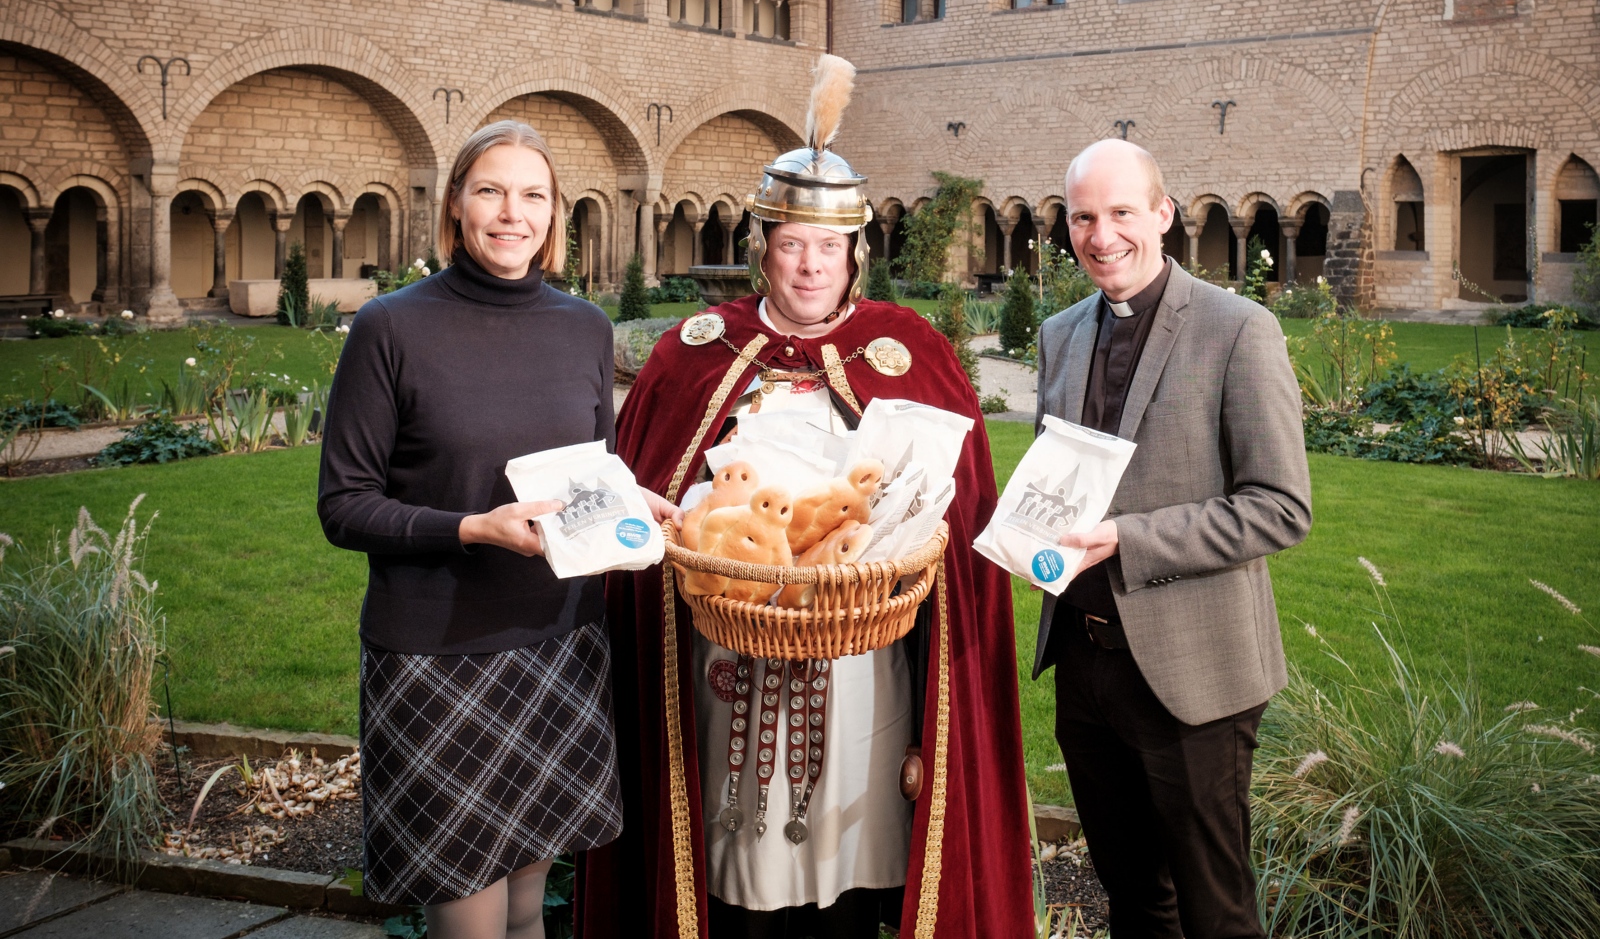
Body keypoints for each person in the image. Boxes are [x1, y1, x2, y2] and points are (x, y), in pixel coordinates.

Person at [577, 56, 1034, 939]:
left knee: (852, 859)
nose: (810, 264)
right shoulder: (694, 351)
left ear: (856, 251)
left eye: (830, 246)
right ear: (763, 249)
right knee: (732, 857)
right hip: (723, 652)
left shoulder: (909, 350)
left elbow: (960, 515)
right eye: (792, 244)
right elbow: (647, 498)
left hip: (862, 656)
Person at [318, 120, 677, 939]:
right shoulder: (392, 328)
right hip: (440, 658)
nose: (511, 213)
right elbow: (344, 504)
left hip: (561, 642)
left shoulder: (583, 326)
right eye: (490, 190)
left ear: (555, 215)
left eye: (532, 195)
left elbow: (591, 468)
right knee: (471, 921)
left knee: (525, 910)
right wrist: (473, 527)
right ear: (455, 204)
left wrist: (630, 501)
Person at [1030, 139, 1313, 939]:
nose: (1101, 234)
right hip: (1084, 665)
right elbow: (1061, 475)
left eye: (1121, 212)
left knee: (1215, 911)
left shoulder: (1237, 329)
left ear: (1163, 214)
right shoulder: (1060, 334)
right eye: (1083, 216)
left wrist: (1126, 536)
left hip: (1195, 672)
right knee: (1131, 898)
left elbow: (1280, 507)